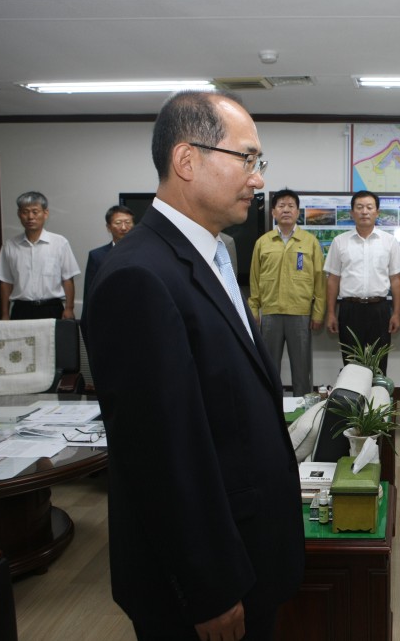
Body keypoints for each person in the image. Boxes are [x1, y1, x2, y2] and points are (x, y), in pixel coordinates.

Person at [84, 90, 303, 641]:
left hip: (248, 547)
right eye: (247, 159)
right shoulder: (140, 276)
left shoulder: (213, 252)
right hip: (207, 585)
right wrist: (210, 587)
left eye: (260, 163)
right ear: (187, 160)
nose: (259, 180)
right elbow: (162, 455)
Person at [248, 188, 326, 396]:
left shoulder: (310, 242)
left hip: (300, 314)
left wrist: (318, 312)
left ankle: (303, 415)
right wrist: (253, 309)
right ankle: (271, 411)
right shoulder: (263, 243)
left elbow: (320, 281)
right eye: (281, 206)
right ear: (273, 212)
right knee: (269, 367)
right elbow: (254, 279)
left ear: (298, 212)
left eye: (291, 206)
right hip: (271, 313)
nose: (286, 210)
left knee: (302, 369)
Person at [324, 191, 400, 374]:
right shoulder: (340, 242)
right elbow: (333, 280)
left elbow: (396, 280)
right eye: (359, 207)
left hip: (380, 310)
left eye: (369, 207)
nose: (364, 212)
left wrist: (397, 314)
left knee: (379, 364)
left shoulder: (389, 242)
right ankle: (356, 402)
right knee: (351, 364)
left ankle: (377, 402)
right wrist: (331, 313)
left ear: (377, 212)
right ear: (352, 213)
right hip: (349, 310)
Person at [0, 191, 79, 320]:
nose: (30, 217)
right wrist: (5, 314)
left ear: (45, 213)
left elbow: (67, 278)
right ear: (19, 214)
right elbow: (5, 282)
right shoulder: (9, 245)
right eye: (25, 212)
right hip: (21, 309)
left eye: (35, 211)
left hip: (52, 308)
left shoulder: (60, 243)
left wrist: (69, 308)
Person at [83, 204, 134, 305]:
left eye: (128, 222)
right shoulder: (97, 256)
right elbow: (89, 292)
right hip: (107, 308)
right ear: (108, 227)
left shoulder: (142, 253)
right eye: (118, 223)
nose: (124, 227)